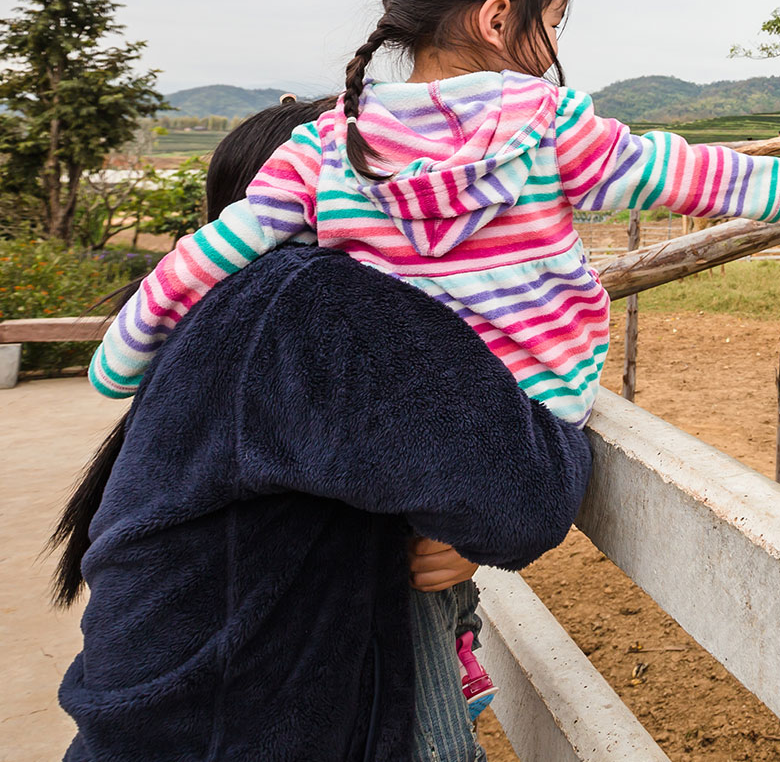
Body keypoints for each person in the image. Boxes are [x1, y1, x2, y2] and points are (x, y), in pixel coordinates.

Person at [82, 0, 780, 761]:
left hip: (400, 423)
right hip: (530, 410)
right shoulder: (548, 126)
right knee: (444, 593)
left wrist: (127, 350)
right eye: (552, 23)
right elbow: (664, 169)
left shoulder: (334, 143)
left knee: (417, 575)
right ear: (497, 17)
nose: (555, 48)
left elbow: (221, 246)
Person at [59, 94, 595, 760]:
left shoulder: (221, 322)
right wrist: (563, 404)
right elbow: (525, 500)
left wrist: (455, 529)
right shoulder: (308, 303)